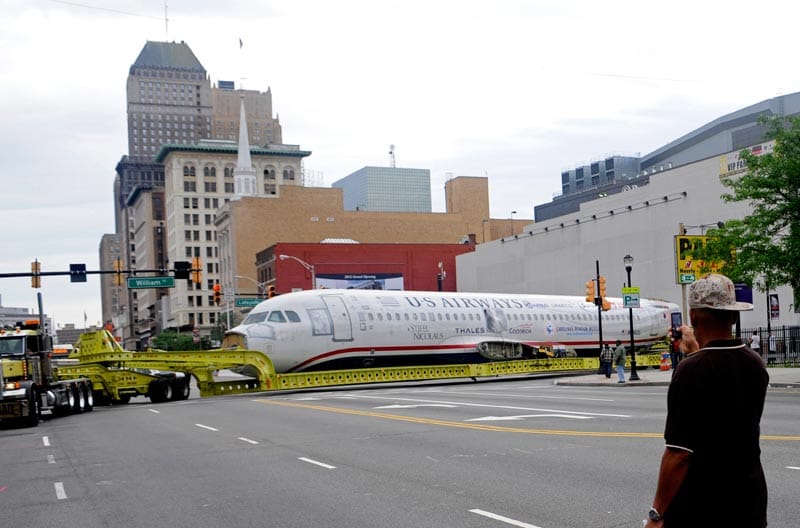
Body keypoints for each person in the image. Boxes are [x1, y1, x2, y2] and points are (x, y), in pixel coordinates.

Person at [644, 274, 768, 527]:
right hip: (749, 500)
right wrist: (695, 354)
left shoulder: (692, 370)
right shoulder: (755, 364)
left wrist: (657, 514)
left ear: (694, 316)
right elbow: (722, 381)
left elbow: (679, 453)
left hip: (703, 505)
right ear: (734, 316)